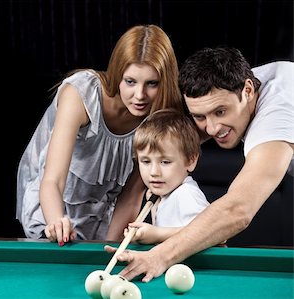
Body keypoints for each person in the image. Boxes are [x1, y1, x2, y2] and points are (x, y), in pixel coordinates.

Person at [105, 47, 294, 282]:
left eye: (220, 112)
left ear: (247, 90)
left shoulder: (278, 113)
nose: (212, 129)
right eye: (200, 117)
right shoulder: (236, 85)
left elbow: (238, 209)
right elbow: (175, 140)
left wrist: (159, 256)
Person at [16, 24, 183, 245]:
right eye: (130, 81)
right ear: (117, 74)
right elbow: (53, 180)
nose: (140, 95)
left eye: (152, 84)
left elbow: (131, 196)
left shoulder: (160, 115)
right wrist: (56, 222)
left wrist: (111, 251)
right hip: (51, 204)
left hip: (100, 214)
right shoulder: (81, 94)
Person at [124, 108, 210, 245]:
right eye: (146, 161)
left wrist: (157, 234)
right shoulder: (162, 195)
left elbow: (213, 233)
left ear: (190, 161)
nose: (154, 172)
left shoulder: (187, 194)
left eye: (165, 162)